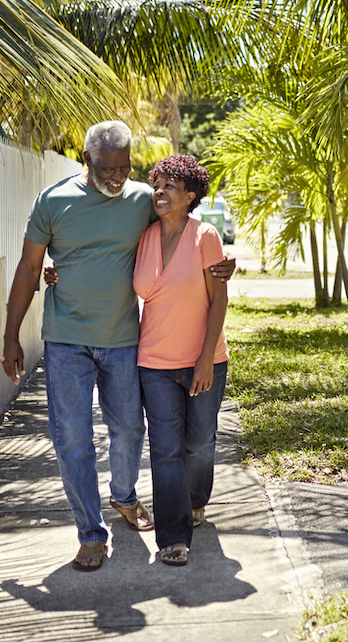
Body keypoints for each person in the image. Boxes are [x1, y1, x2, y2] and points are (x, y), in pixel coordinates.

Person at [0, 122, 234, 573]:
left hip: (125, 340)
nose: (117, 177)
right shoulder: (52, 201)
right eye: (108, 168)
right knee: (72, 438)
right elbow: (30, 269)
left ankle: (124, 495)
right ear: (87, 160)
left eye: (125, 168)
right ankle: (91, 535)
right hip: (66, 338)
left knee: (129, 431)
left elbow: (185, 226)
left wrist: (224, 264)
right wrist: (11, 335)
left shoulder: (141, 201)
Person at [134, 155, 229, 566]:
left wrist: (205, 360)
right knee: (165, 449)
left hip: (203, 360)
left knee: (200, 444)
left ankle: (195, 500)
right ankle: (173, 535)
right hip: (153, 361)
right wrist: (58, 273)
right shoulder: (143, 236)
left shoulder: (204, 235)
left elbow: (219, 298)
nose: (160, 191)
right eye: (157, 184)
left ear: (190, 197)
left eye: (171, 186)